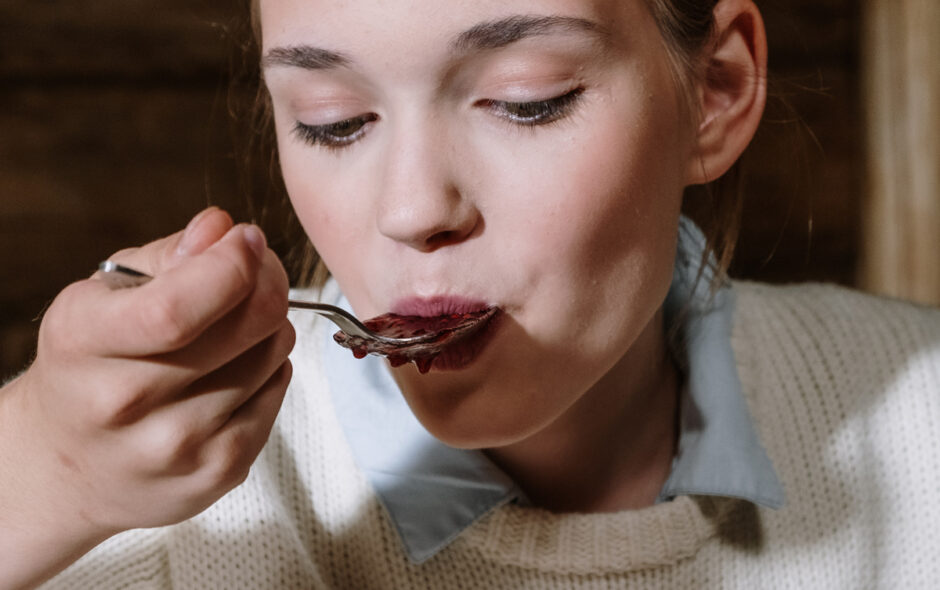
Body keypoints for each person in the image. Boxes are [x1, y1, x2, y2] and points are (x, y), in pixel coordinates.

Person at [2, 0, 938, 588]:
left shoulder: (920, 420)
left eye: (527, 100)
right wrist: (41, 468)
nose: (413, 208)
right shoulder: (169, 525)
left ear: (718, 91)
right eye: (334, 123)